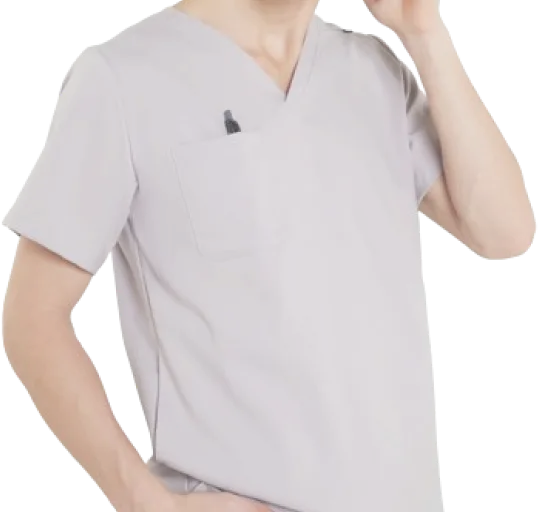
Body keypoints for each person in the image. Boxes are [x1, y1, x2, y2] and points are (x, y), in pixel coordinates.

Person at [1, 0, 535, 511]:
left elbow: (504, 232)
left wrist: (425, 32)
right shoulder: (124, 79)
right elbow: (31, 319)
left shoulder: (371, 69)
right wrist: (144, 501)